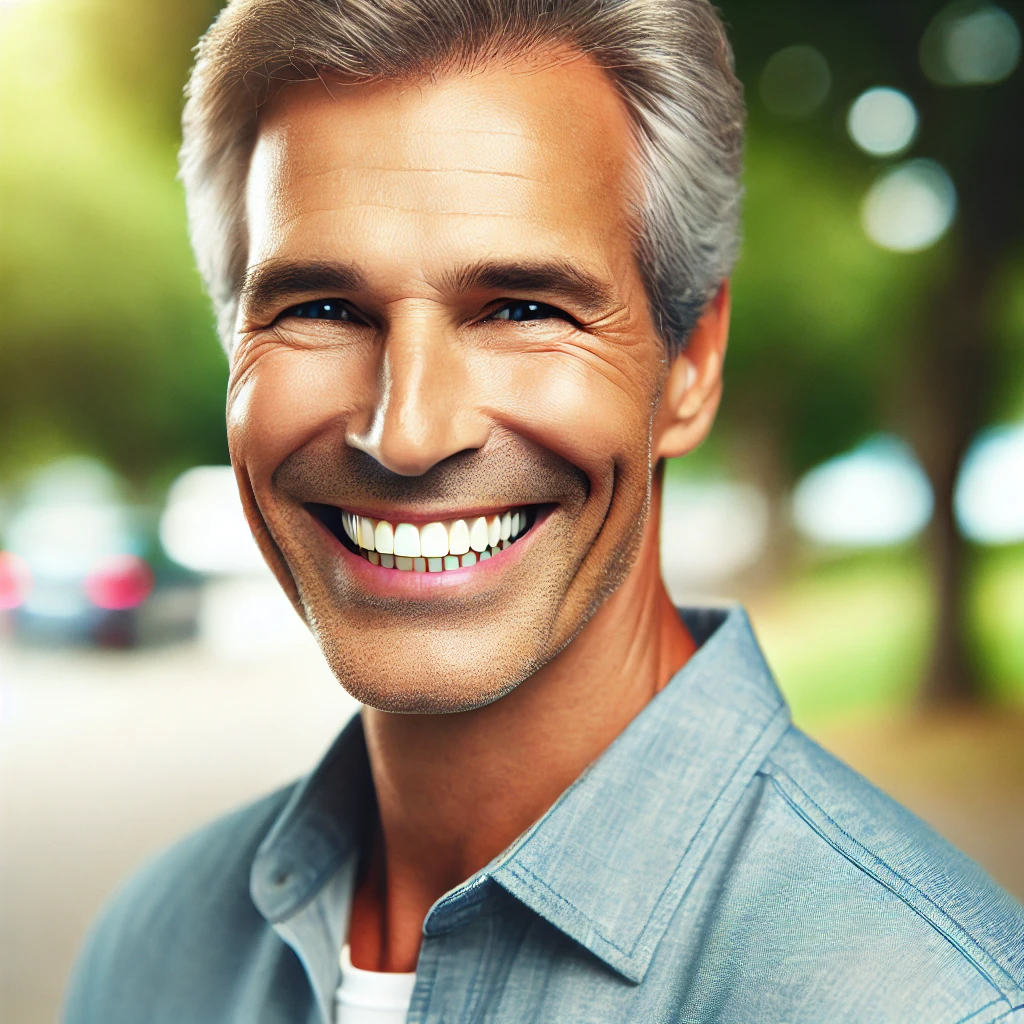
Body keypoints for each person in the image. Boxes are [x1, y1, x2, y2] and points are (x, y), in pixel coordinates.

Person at [65, 1, 1024, 1021]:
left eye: (523, 309)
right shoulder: (147, 951)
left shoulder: (932, 999)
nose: (407, 431)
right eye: (321, 309)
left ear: (691, 362)